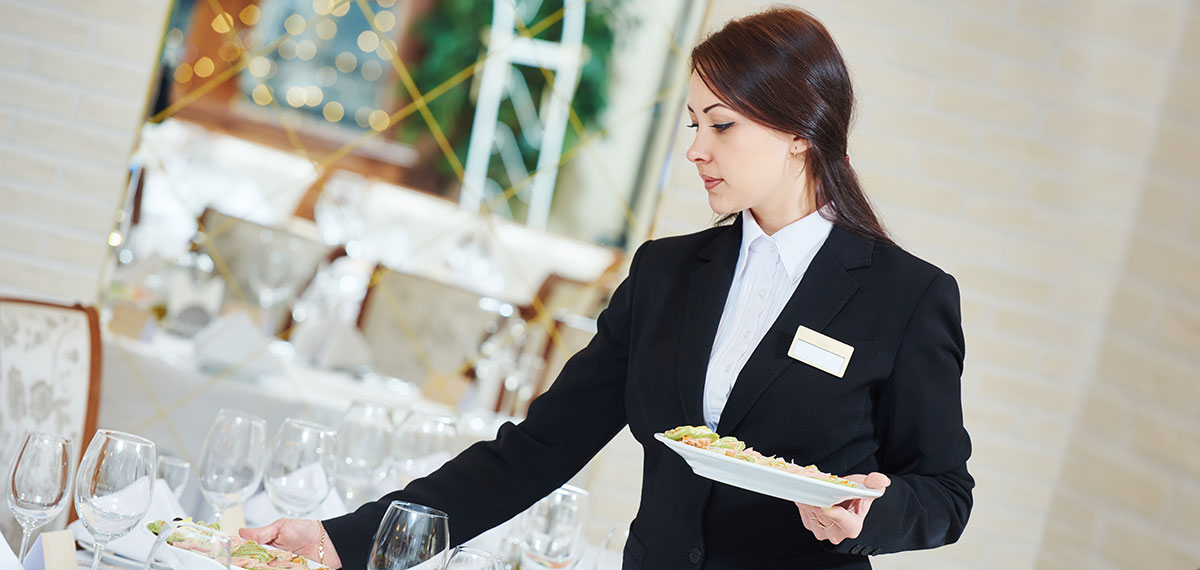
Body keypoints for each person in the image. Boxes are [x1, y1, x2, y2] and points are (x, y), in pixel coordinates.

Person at [241, 7, 973, 569]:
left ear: (800, 133)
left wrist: (869, 515)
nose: (695, 150)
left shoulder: (906, 297)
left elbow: (944, 491)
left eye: (721, 126)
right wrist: (345, 540)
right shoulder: (666, 274)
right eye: (693, 124)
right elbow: (536, 450)